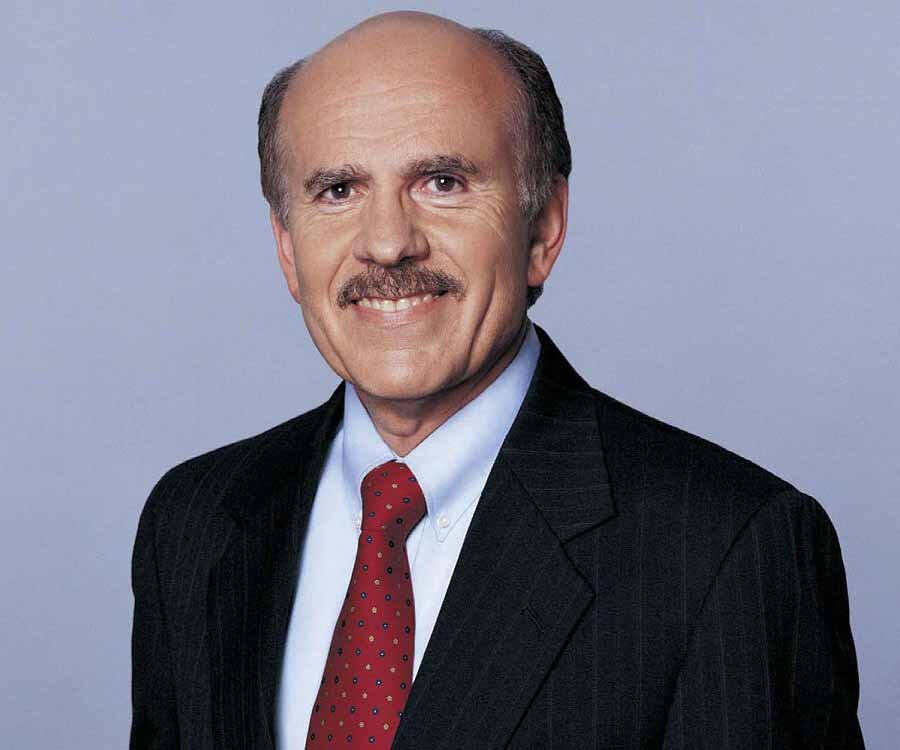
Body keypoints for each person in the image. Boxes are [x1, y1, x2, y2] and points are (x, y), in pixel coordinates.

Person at [130, 11, 864, 749]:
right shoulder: (192, 523)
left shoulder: (725, 548)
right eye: (339, 190)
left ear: (543, 229)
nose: (387, 243)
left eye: (442, 182)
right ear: (288, 250)